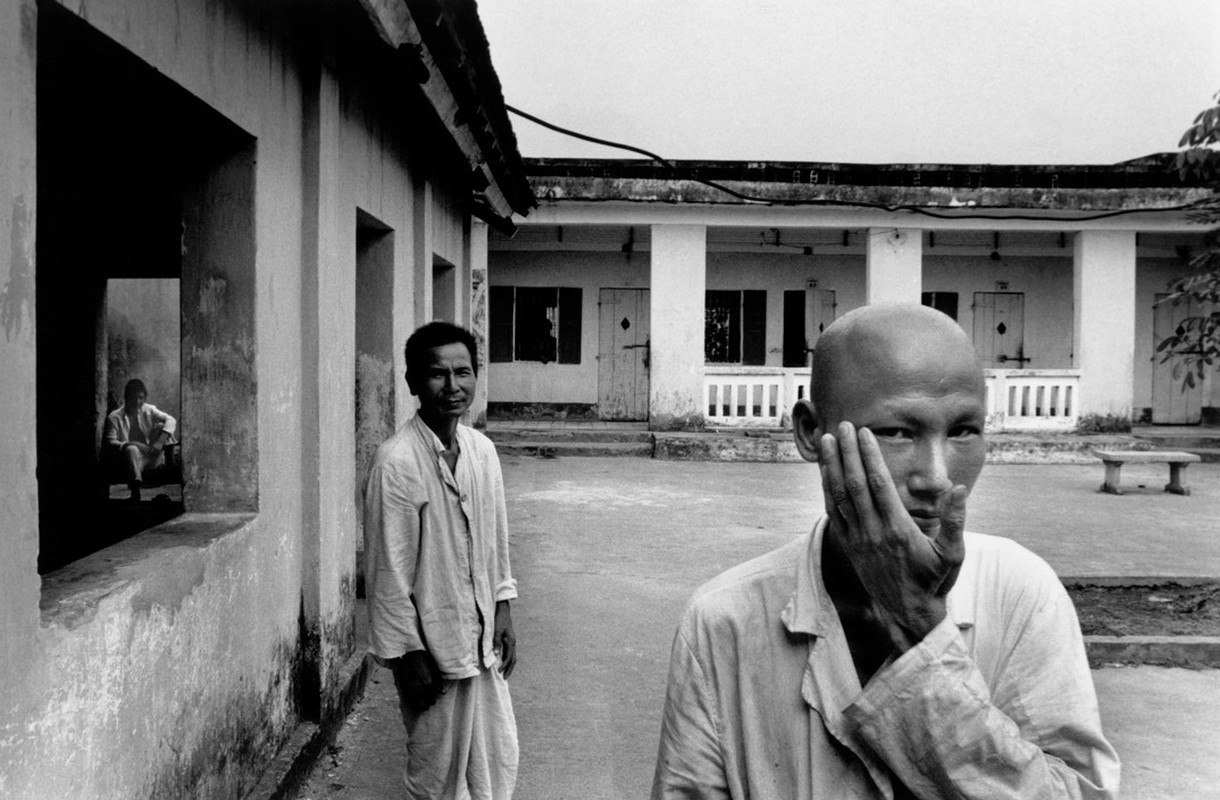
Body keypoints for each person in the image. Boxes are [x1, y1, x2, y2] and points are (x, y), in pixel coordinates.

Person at [652, 304, 1120, 800]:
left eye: (964, 430)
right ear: (811, 432)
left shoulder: (1021, 592)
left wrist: (922, 633)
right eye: (897, 432)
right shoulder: (724, 620)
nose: (937, 478)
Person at [364, 321, 519, 799]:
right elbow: (387, 570)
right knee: (435, 777)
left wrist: (504, 605)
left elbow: (495, 541)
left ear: (476, 376)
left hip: (481, 642)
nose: (452, 387)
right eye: (437, 375)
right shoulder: (396, 462)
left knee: (497, 760)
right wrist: (406, 654)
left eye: (463, 372)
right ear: (413, 383)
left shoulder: (482, 452)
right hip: (431, 651)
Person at [102, 378, 177, 501]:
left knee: (161, 426)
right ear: (126, 398)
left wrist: (160, 441)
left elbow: (171, 420)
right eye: (134, 398)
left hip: (151, 456)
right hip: (131, 461)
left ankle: (169, 466)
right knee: (132, 449)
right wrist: (132, 444)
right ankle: (135, 492)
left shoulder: (148, 410)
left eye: (141, 398)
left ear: (144, 398)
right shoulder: (114, 417)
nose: (137, 402)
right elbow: (111, 441)